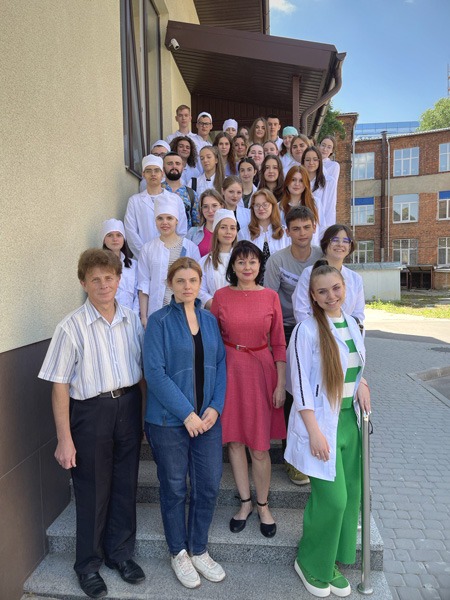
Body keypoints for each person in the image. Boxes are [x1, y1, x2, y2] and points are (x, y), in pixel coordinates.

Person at [38, 249, 145, 599]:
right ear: (83, 283)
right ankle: (87, 564)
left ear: (119, 280)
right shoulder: (70, 327)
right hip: (90, 412)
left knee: (125, 484)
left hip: (129, 405)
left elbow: (143, 369)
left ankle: (120, 554)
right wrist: (64, 438)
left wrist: (144, 417)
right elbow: (59, 385)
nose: (103, 285)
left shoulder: (132, 320)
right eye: (95, 279)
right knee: (92, 491)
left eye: (109, 278)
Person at [285, 260, 371, 597]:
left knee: (350, 498)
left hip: (349, 421)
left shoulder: (352, 324)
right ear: (313, 296)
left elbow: (354, 365)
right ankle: (309, 562)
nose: (331, 295)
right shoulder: (305, 331)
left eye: (335, 288)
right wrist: (314, 432)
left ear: (344, 288)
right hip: (322, 425)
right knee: (332, 501)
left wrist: (363, 384)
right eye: (322, 291)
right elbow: (301, 386)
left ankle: (331, 560)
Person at [144, 257, 226, 589]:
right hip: (168, 421)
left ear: (200, 283)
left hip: (207, 421)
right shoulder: (159, 321)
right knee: (175, 486)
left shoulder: (209, 321)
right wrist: (186, 414)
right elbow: (154, 373)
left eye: (192, 280)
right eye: (180, 281)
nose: (187, 286)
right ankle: (178, 551)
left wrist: (215, 408)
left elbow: (221, 364)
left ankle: (199, 548)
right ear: (170, 284)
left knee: (208, 485)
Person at [211, 241, 286, 539]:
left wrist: (281, 383)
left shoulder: (270, 297)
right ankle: (245, 503)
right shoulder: (220, 296)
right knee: (235, 442)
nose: (247, 267)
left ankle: (263, 505)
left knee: (260, 446)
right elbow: (212, 340)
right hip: (230, 371)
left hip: (262, 371)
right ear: (233, 266)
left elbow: (278, 342)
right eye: (241, 262)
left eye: (252, 261)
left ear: (259, 265)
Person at [264, 206, 323, 485]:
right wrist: (273, 339)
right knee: (292, 393)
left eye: (306, 227)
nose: (301, 233)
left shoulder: (322, 258)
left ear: (314, 227)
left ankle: (319, 448)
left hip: (319, 330)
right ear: (287, 231)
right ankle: (292, 458)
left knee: (317, 391)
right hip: (286, 329)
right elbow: (269, 301)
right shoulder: (277, 261)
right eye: (296, 228)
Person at [137, 196, 201, 328]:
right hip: (156, 312)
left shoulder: (190, 248)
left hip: (184, 313)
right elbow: (144, 285)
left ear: (177, 220)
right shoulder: (147, 249)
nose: (164, 222)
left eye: (169, 218)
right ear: (155, 221)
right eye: (160, 218)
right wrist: (144, 317)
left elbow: (197, 283)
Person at [292, 224, 365, 326]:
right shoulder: (309, 273)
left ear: (350, 247)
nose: (340, 244)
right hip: (316, 332)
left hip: (346, 333)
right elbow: (301, 311)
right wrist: (318, 332)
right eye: (335, 240)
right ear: (325, 244)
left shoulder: (356, 278)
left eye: (345, 241)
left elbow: (358, 315)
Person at [124, 155, 188, 258]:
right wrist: (145, 255)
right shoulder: (134, 201)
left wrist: (171, 253)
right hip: (142, 257)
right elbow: (131, 232)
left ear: (162, 174)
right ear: (143, 174)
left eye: (156, 170)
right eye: (148, 171)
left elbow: (182, 230)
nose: (153, 174)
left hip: (171, 257)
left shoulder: (175, 200)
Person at [240, 189, 290, 282]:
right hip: (252, 284)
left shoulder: (285, 233)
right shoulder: (244, 233)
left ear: (273, 206)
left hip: (281, 284)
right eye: (257, 205)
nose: (261, 208)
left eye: (265, 204)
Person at [198, 209, 238, 309]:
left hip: (238, 310)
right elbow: (200, 290)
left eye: (232, 228)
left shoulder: (242, 259)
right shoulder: (204, 262)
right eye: (223, 227)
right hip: (213, 312)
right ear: (216, 231)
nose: (228, 232)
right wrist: (217, 307)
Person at [101, 218, 139, 315]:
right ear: (104, 240)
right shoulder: (99, 266)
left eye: (119, 235)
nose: (115, 239)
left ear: (124, 239)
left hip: (131, 316)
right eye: (110, 235)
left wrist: (133, 316)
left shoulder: (133, 265)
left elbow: (138, 292)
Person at [302, 146, 338, 241]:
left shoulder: (329, 182)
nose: (311, 163)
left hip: (320, 229)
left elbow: (330, 210)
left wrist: (327, 235)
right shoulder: (299, 182)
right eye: (307, 160)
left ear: (320, 162)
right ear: (303, 162)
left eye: (315, 159)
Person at [279, 166, 319, 244]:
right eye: (293, 180)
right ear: (287, 182)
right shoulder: (279, 207)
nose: (297, 184)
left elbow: (321, 231)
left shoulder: (315, 204)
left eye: (301, 181)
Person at [162, 152, 200, 228]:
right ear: (163, 168)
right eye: (170, 163)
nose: (174, 166)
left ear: (182, 167)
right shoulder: (157, 191)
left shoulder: (191, 194)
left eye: (177, 164)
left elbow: (196, 224)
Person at [186, 189, 226, 257]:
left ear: (222, 206)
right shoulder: (192, 233)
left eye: (214, 206)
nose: (210, 210)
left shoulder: (229, 232)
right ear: (201, 209)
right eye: (205, 206)